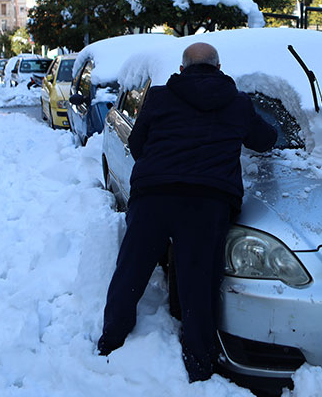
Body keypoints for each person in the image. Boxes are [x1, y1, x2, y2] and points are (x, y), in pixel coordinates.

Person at [97, 42, 277, 382]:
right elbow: (265, 140)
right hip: (207, 203)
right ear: (219, 68)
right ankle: (199, 363)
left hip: (154, 196)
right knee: (199, 282)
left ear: (181, 70)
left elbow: (137, 144)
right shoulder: (237, 103)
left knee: (131, 270)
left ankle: (110, 343)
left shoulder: (161, 97)